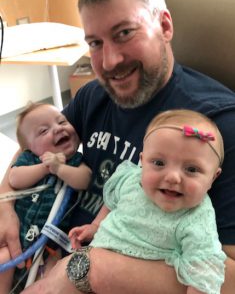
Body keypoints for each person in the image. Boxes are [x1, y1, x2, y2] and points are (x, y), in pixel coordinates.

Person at [0, 0, 235, 293]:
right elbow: (34, 148)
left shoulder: (217, 125)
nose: (109, 62)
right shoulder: (94, 95)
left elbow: (227, 275)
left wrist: (88, 269)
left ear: (164, 26)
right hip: (47, 246)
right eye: (95, 43)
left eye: (125, 33)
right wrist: (5, 204)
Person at [69, 109, 226, 294]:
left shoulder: (197, 218)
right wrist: (96, 225)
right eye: (159, 163)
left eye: (191, 169)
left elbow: (203, 274)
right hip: (89, 272)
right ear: (142, 162)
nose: (173, 177)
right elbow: (112, 202)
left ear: (213, 178)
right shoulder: (130, 179)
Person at [0, 102, 91, 293]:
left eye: (62, 121)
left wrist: (60, 168)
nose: (58, 128)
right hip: (19, 236)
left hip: (51, 246)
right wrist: (45, 167)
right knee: (3, 260)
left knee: (51, 277)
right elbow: (14, 178)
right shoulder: (29, 159)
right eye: (43, 131)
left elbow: (85, 179)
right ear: (29, 148)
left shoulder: (76, 161)